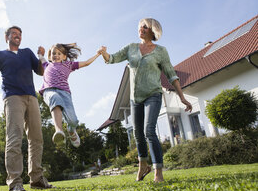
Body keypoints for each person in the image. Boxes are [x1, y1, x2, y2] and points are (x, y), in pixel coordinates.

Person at [99, 18, 192, 182]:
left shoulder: (161, 51)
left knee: (149, 130)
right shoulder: (131, 48)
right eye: (140, 26)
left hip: (153, 94)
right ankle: (143, 165)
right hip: (135, 98)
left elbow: (171, 75)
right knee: (137, 134)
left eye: (145, 26)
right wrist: (104, 53)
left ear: (152, 30)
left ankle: (158, 173)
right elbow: (112, 58)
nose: (140, 28)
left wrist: (182, 97)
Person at [0, 26, 54, 191]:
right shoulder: (0, 55)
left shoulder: (27, 53)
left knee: (37, 138)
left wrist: (42, 56)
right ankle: (15, 183)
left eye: (20, 34)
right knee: (14, 138)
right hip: (12, 98)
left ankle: (37, 179)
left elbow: (41, 72)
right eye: (14, 34)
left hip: (31, 97)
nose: (17, 36)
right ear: (7, 37)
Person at [38, 43, 101, 147]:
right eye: (54, 53)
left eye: (59, 53)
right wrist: (40, 53)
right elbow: (41, 58)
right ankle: (59, 130)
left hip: (65, 93)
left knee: (73, 121)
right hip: (48, 91)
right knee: (54, 98)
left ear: (64, 56)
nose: (56, 55)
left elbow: (86, 63)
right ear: (50, 56)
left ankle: (71, 130)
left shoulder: (69, 65)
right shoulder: (46, 65)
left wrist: (97, 54)